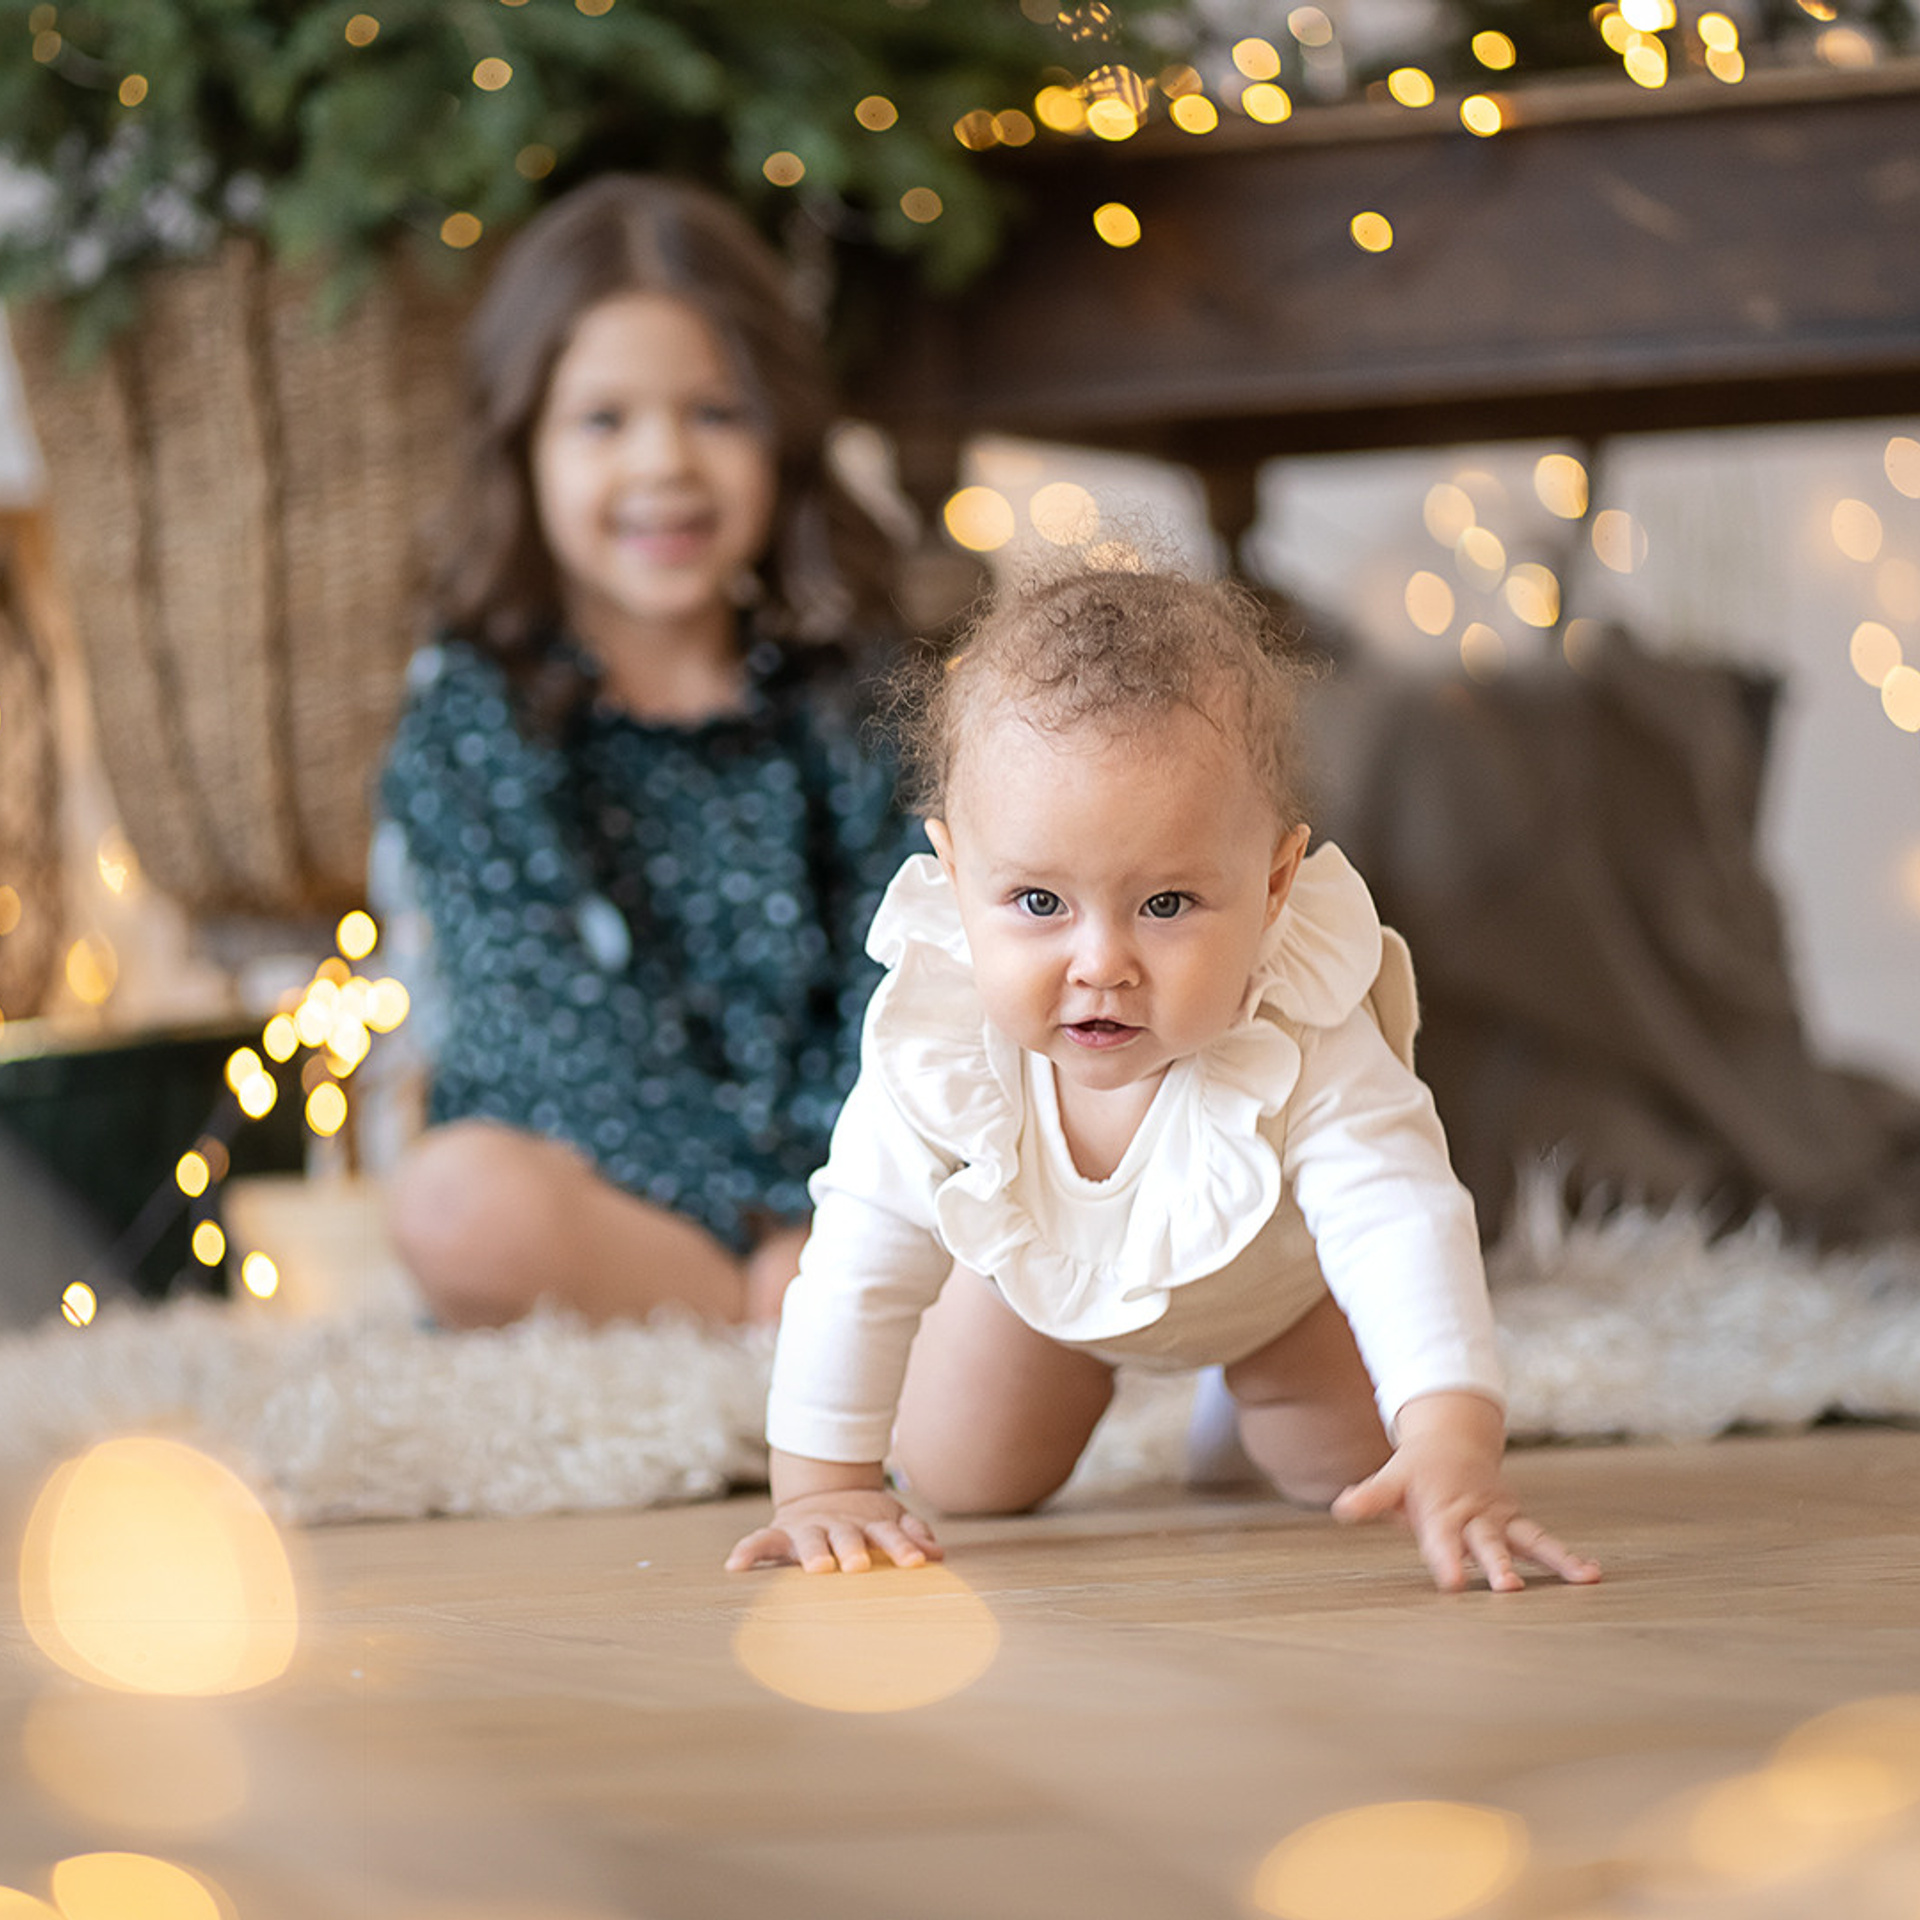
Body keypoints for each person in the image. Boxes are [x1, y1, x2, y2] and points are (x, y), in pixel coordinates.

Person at [726, 565, 1602, 1593]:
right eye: (1040, 902)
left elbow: (1398, 1216)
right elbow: (858, 1254)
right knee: (963, 1475)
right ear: (958, 878)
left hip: (1267, 1297)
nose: (1100, 963)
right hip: (1037, 1301)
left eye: (1169, 904)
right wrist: (821, 1483)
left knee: (1351, 1471)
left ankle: (1243, 1399)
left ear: (1274, 886)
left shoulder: (1306, 1028)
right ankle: (1048, 1361)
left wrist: (1453, 1434)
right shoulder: (942, 1047)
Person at [376, 174, 921, 1330]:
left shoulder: (851, 693)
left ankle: (805, 1304)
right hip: (607, 1200)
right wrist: (751, 1225)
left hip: (843, 1184)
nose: (665, 463)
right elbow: (547, 1031)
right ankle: (767, 1316)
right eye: (604, 420)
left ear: (781, 433)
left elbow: (900, 971)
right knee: (454, 1203)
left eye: (715, 414)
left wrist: (813, 1204)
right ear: (522, 448)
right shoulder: (474, 717)